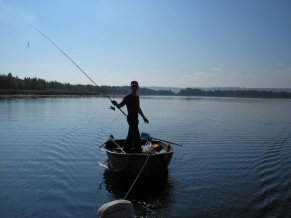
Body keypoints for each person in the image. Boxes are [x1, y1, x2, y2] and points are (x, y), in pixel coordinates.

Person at [111, 81, 149, 153]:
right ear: (131, 87)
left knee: (131, 135)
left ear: (137, 87)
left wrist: (144, 117)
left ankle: (126, 149)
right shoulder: (127, 97)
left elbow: (138, 108)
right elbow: (120, 106)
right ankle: (137, 151)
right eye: (133, 86)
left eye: (136, 86)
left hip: (135, 118)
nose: (134, 87)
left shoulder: (137, 97)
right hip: (130, 118)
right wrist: (115, 103)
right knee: (136, 135)